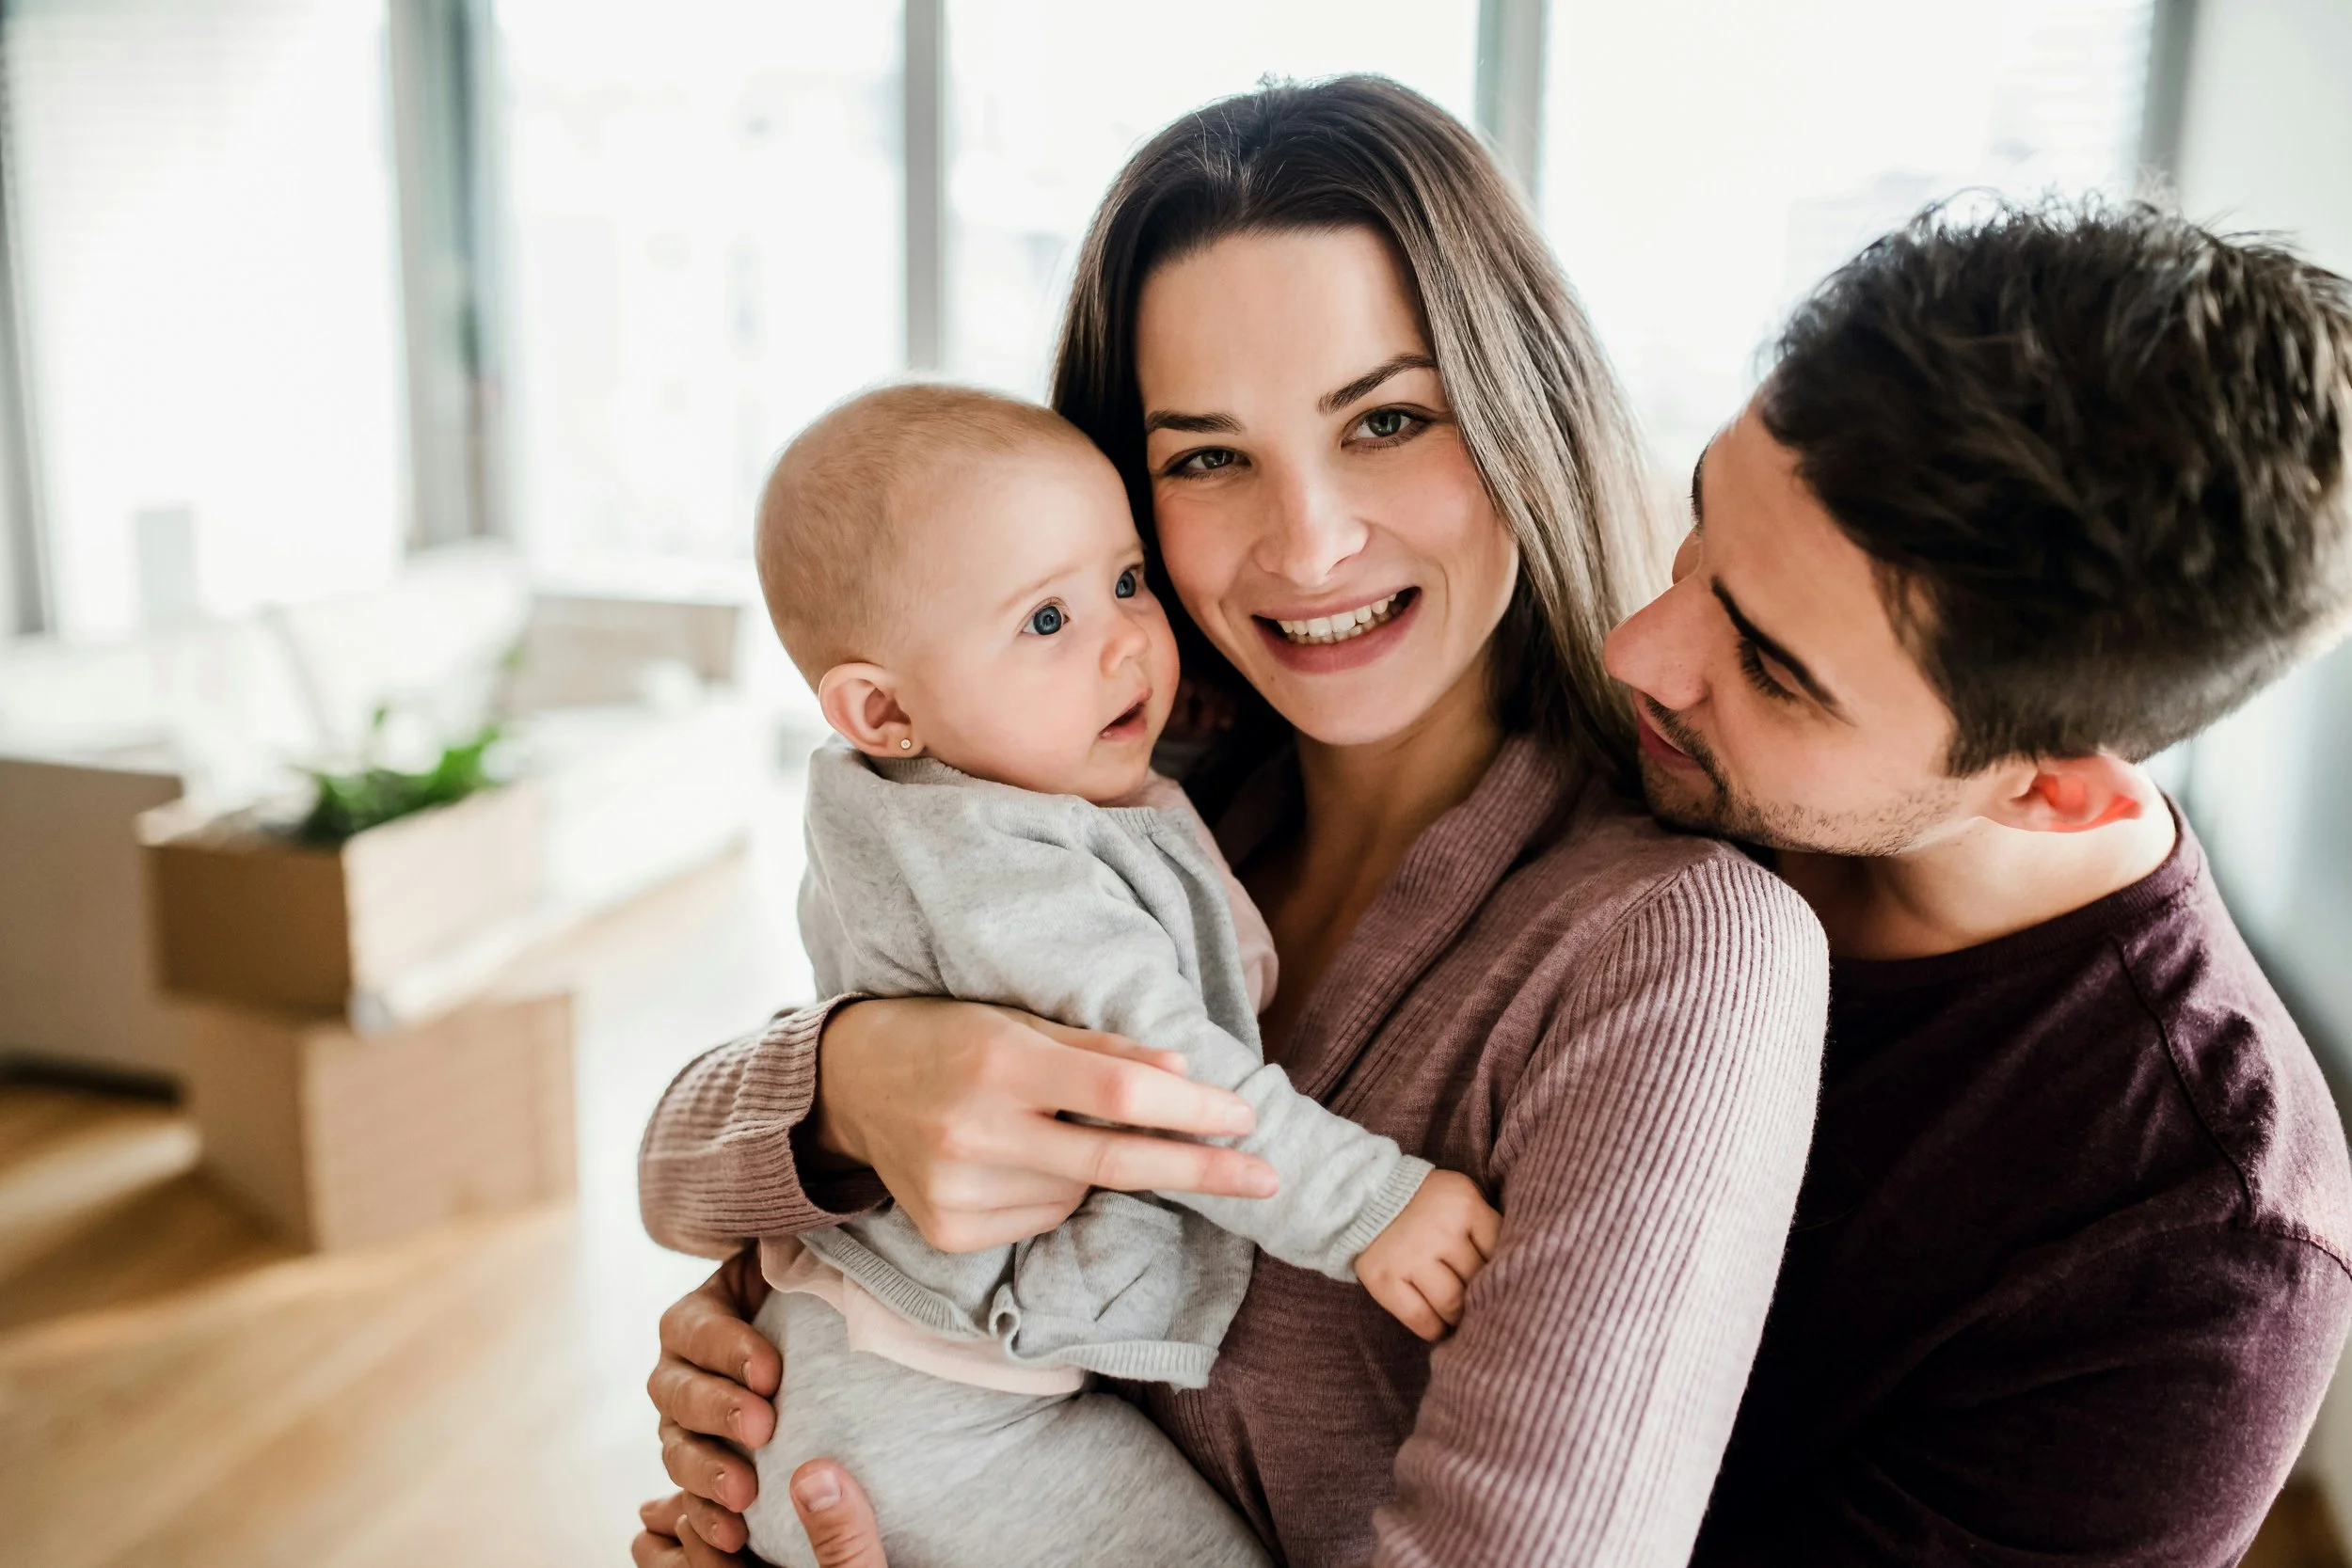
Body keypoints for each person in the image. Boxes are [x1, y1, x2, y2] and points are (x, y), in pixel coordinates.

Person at [633, 74, 1830, 1568]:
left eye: (1387, 419)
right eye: (1206, 455)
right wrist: (847, 1093)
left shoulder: (1673, 943)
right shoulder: (1135, 790)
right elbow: (675, 1167)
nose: (1309, 544)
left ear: (1523, 412)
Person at [1604, 201, 2352, 1564]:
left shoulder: (2196, 1257)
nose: (1634, 649)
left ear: (2051, 790)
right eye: (1703, 521)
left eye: (1771, 666)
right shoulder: (1652, 744)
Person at [726, 379, 1500, 1567]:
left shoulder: (948, 793)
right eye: (1047, 619)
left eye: (1127, 581)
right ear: (881, 708)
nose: (1128, 639)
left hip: (878, 1371)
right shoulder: (1003, 876)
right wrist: (1369, 1205)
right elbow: (1162, 1076)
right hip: (935, 1416)